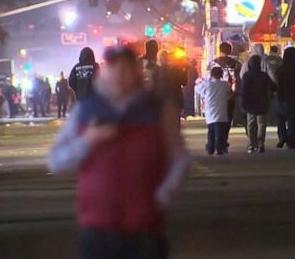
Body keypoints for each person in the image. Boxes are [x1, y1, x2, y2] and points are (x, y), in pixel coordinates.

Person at [48, 46, 188, 259]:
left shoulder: (157, 110)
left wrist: (163, 195)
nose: (120, 73)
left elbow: (179, 157)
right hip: (98, 226)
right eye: (114, 67)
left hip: (145, 228)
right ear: (105, 71)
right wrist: (87, 140)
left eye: (126, 67)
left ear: (136, 71)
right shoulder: (85, 111)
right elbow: (57, 161)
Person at [207, 42, 242, 145]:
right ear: (230, 51)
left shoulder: (213, 63)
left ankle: (215, 138)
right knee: (228, 118)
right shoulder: (236, 63)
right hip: (230, 95)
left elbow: (208, 79)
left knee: (215, 117)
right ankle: (223, 138)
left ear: (220, 50)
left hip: (215, 96)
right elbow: (239, 79)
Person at [240, 55, 277, 153]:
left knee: (251, 124)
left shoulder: (246, 76)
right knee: (261, 124)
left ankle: (252, 144)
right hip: (262, 102)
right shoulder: (263, 75)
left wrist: (243, 103)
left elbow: (243, 90)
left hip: (250, 103)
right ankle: (260, 144)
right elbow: (273, 86)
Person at [275, 47, 295, 150]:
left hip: (280, 97)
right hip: (293, 98)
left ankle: (282, 136)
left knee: (281, 119)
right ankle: (290, 138)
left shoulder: (279, 69)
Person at [196, 67, 232, 156]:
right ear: (221, 75)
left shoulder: (207, 84)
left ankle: (210, 148)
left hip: (210, 111)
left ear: (211, 74)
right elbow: (230, 93)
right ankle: (220, 148)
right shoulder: (225, 85)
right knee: (221, 131)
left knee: (211, 130)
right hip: (222, 111)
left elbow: (197, 89)